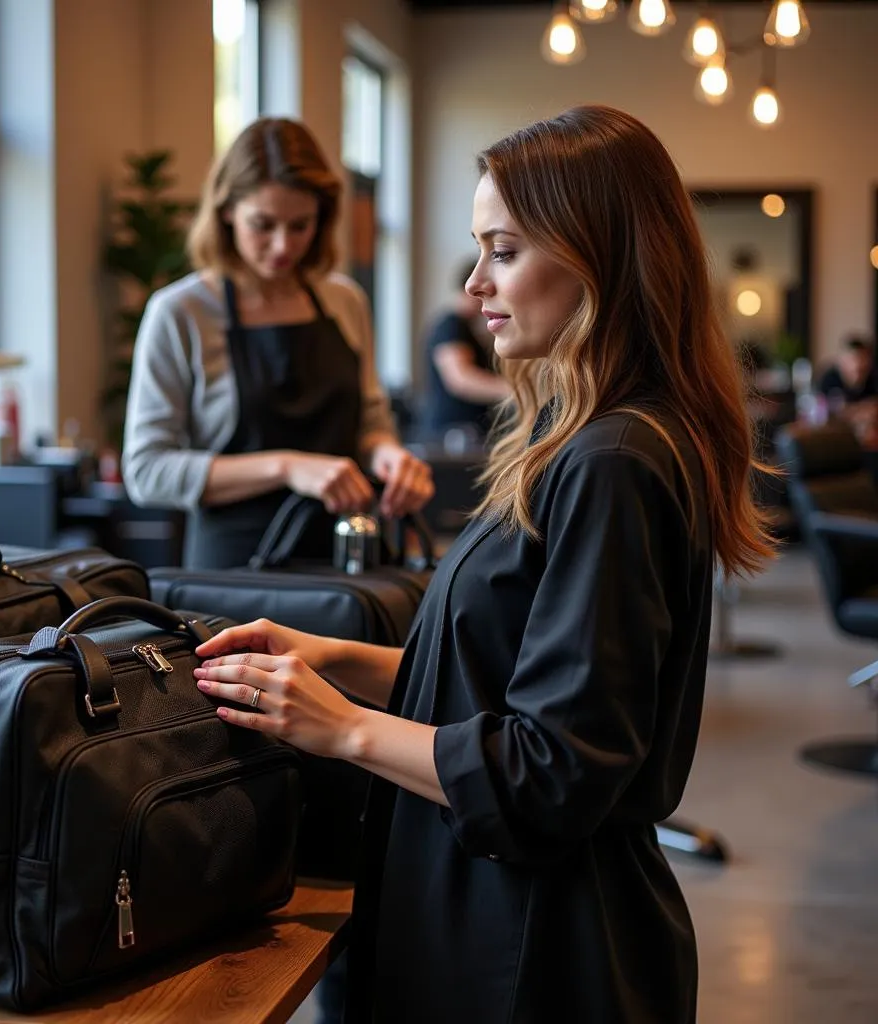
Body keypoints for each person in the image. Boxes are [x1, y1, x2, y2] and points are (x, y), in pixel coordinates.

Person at [191, 106, 774, 1022]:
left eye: (502, 251)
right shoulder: (570, 436)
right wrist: (341, 661)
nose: (472, 285)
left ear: (598, 256)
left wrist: (342, 727)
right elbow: (520, 682)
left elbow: (551, 770)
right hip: (488, 910)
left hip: (538, 949)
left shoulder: (613, 463)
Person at [122, 117, 432, 569]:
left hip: (347, 563)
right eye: (263, 225)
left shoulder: (343, 302)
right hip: (233, 575)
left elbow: (369, 422)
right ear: (227, 211)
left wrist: (389, 455)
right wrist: (288, 467)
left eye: (300, 225)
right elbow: (147, 472)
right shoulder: (180, 313)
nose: (283, 246)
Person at [422, 258, 510, 441]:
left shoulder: (467, 327)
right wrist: (514, 390)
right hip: (453, 432)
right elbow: (461, 379)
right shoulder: (451, 325)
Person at [816, 334, 878, 406]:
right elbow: (825, 409)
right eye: (853, 359)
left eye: (862, 359)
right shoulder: (829, 379)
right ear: (841, 360)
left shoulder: (874, 378)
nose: (857, 365)